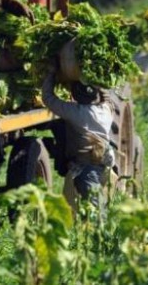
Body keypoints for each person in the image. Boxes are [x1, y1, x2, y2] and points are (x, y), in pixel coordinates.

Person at [42, 68, 115, 213]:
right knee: (94, 204)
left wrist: (50, 74)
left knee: (95, 211)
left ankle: (100, 234)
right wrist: (99, 85)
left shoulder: (77, 113)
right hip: (104, 165)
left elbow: (48, 99)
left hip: (87, 168)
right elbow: (107, 100)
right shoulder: (105, 110)